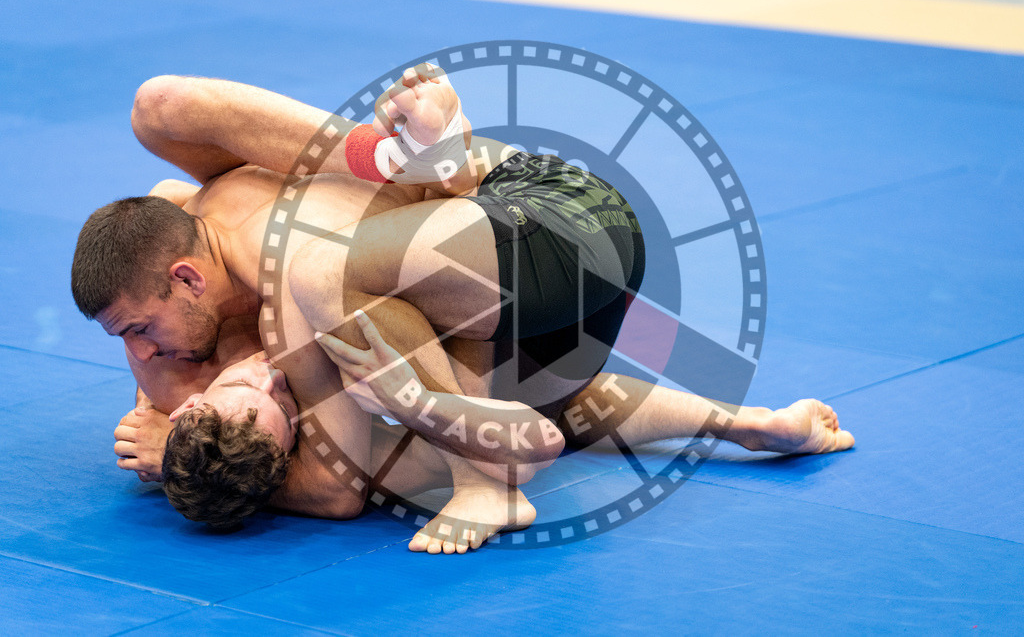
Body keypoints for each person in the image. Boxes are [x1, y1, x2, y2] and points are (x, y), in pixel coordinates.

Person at [83, 69, 854, 553]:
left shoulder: (221, 247)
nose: (142, 353)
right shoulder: (197, 327)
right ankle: (744, 423)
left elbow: (333, 490)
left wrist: (175, 445)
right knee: (486, 393)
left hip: (544, 218)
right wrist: (191, 449)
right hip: (561, 276)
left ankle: (484, 479)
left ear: (185, 276)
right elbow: (331, 474)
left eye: (140, 330)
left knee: (319, 276)